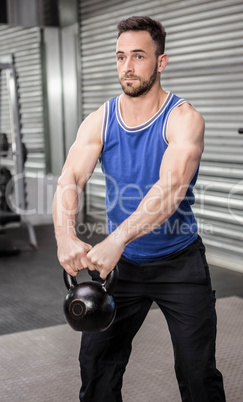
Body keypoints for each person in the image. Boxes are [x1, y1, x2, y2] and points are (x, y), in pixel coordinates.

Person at [53, 16, 226, 402]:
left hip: (179, 263)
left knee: (199, 375)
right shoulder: (100, 119)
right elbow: (69, 180)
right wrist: (65, 236)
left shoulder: (183, 119)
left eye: (138, 56)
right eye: (120, 57)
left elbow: (170, 190)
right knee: (97, 370)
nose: (127, 67)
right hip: (122, 268)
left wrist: (115, 239)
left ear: (160, 62)